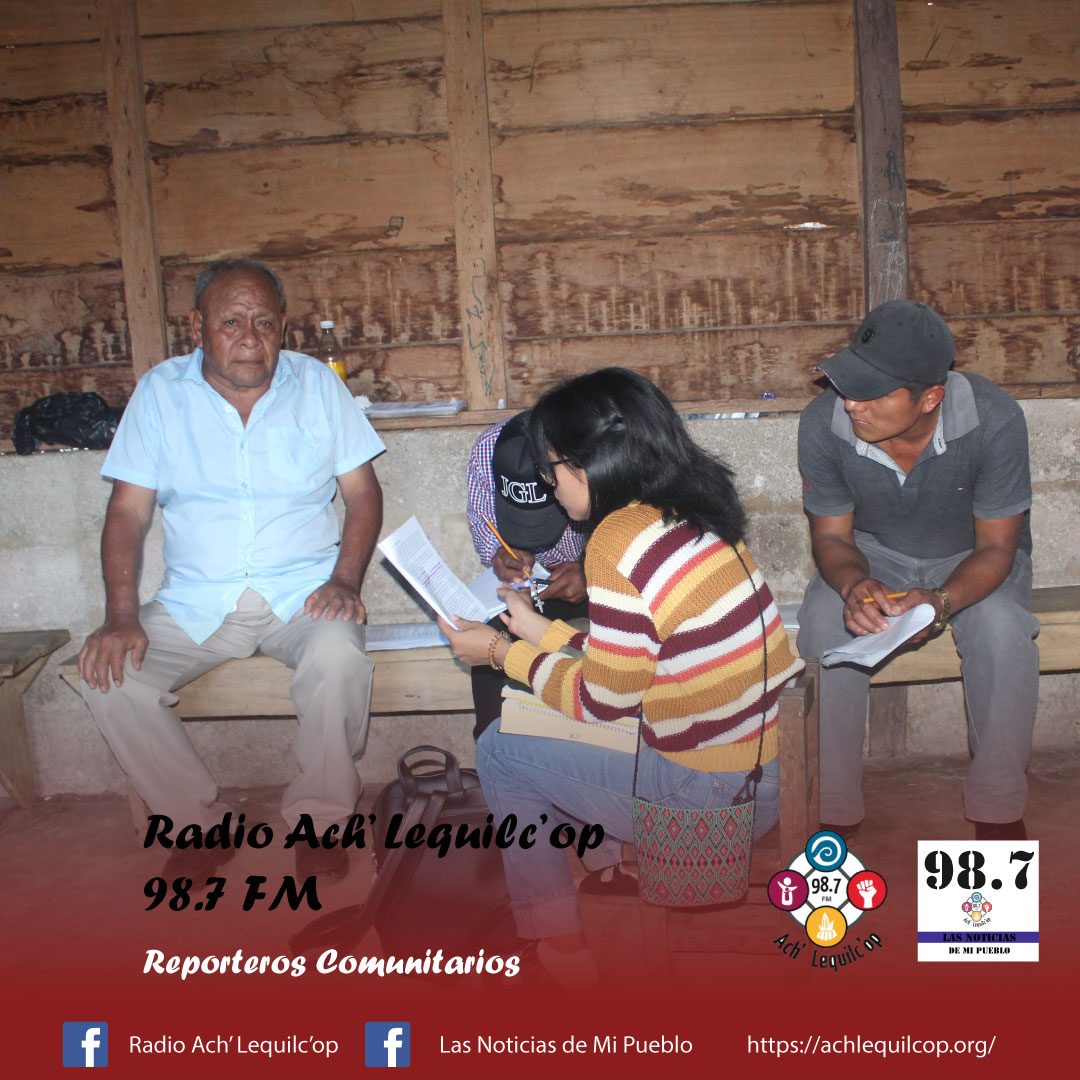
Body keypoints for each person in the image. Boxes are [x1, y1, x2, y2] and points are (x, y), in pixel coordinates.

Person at [439, 368, 803, 986]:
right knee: (538, 712)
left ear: (590, 463)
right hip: (757, 770)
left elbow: (603, 701)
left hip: (706, 800)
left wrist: (499, 652)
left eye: (552, 468)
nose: (549, 486)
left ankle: (559, 946)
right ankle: (586, 888)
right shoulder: (685, 512)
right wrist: (536, 630)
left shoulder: (614, 540)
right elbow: (636, 659)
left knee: (500, 748)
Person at [78, 257, 386, 885]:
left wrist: (344, 580)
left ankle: (321, 823)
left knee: (339, 657)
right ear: (197, 327)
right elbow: (127, 513)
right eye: (231, 322)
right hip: (197, 602)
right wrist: (121, 614)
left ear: (283, 328)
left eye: (265, 323)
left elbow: (362, 494)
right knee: (109, 676)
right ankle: (195, 826)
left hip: (304, 596)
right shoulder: (160, 393)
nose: (250, 337)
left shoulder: (317, 386)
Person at [796, 299, 1038, 842]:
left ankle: (998, 812)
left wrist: (941, 601)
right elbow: (832, 538)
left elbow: (997, 549)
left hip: (972, 556)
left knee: (1003, 629)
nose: (852, 403)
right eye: (849, 385)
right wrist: (854, 584)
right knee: (824, 619)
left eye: (873, 393)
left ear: (930, 398)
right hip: (874, 551)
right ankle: (831, 812)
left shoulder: (994, 419)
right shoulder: (824, 421)